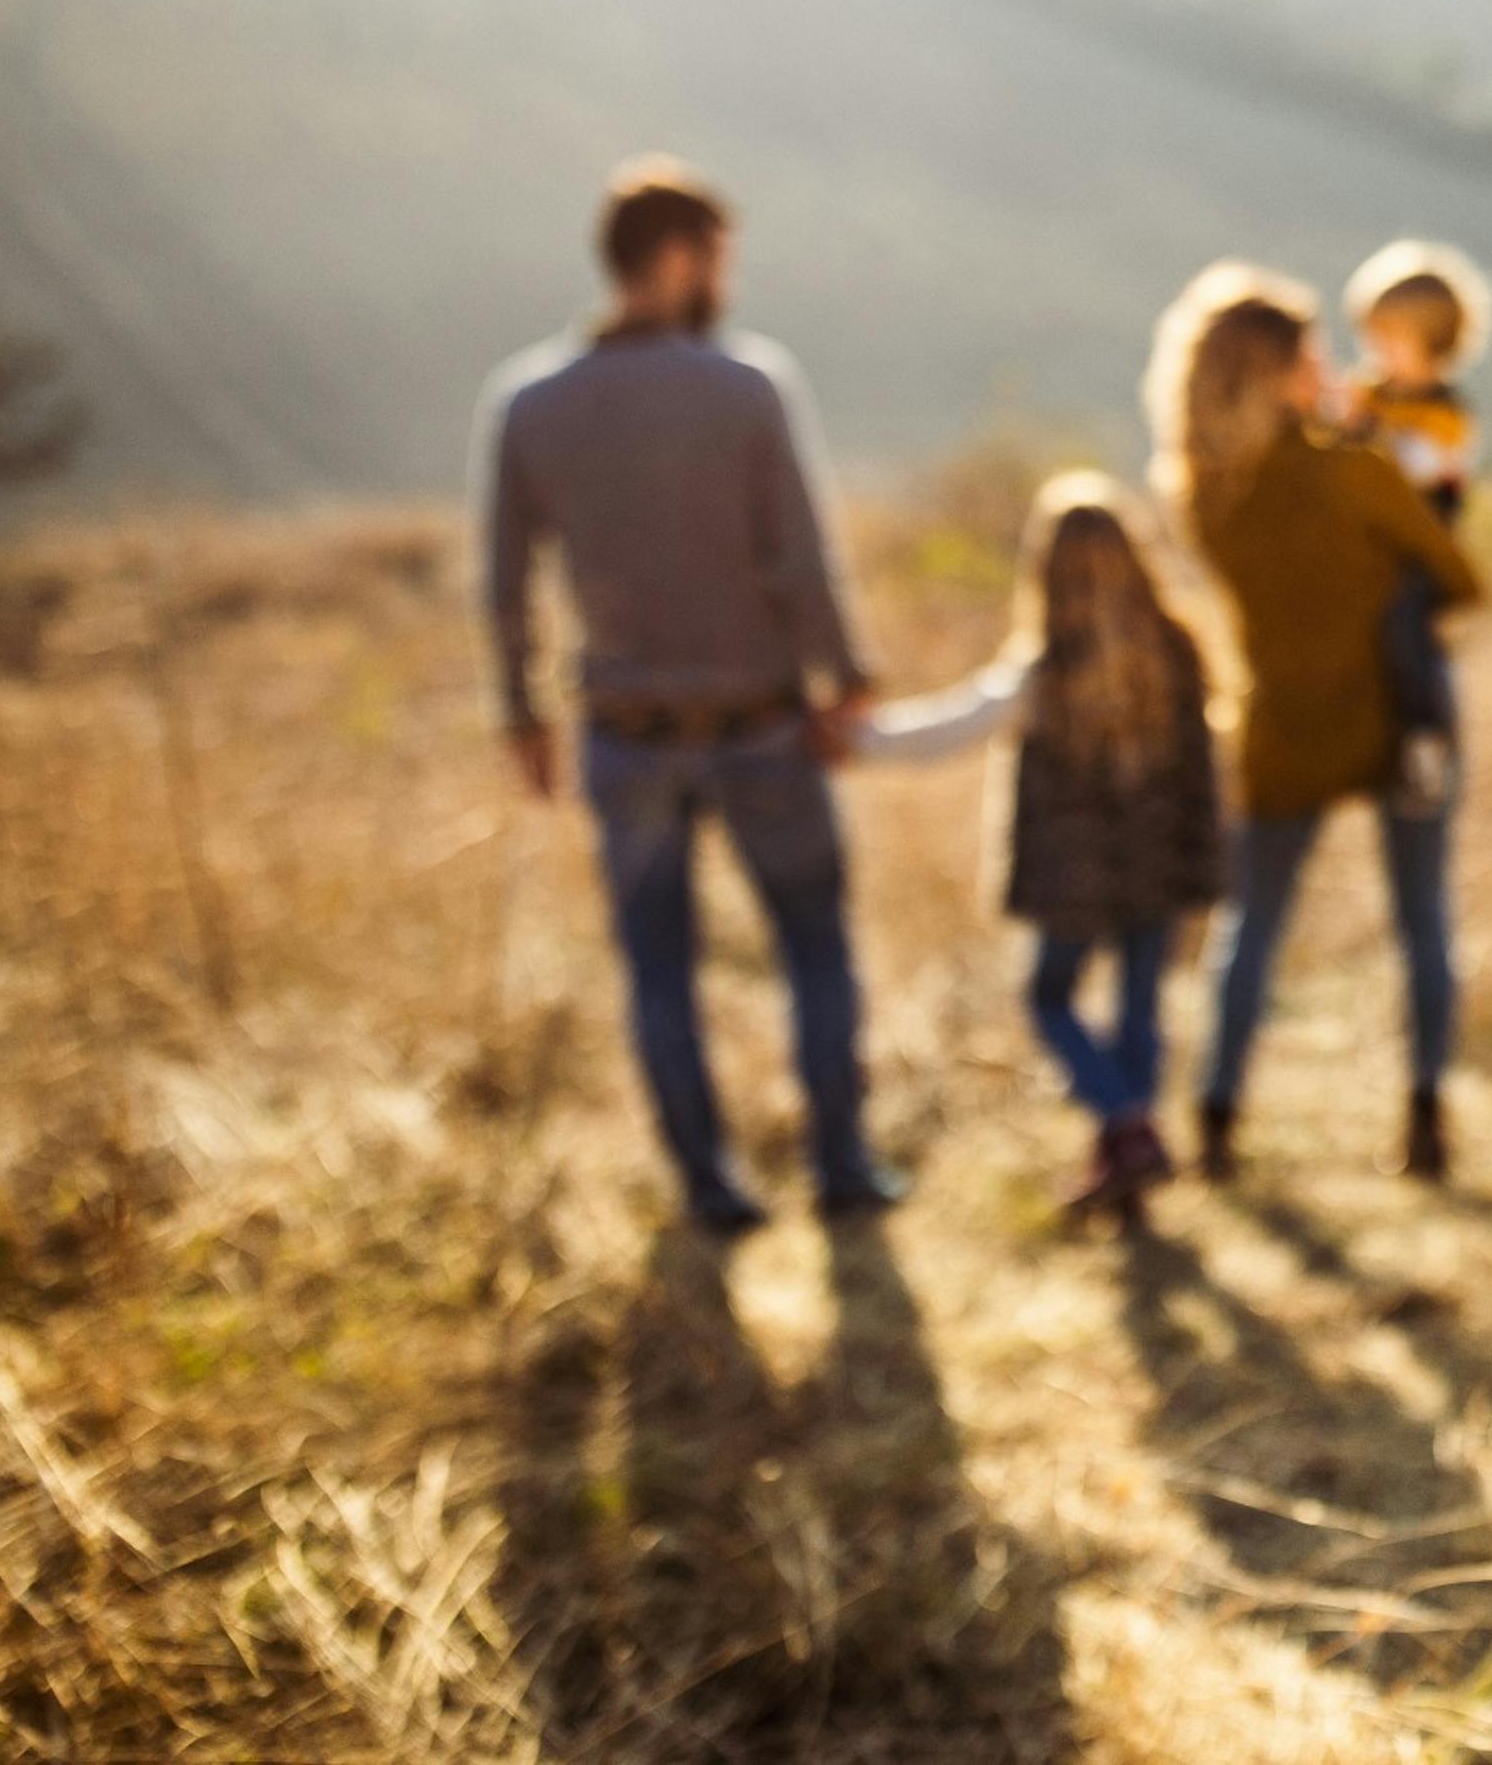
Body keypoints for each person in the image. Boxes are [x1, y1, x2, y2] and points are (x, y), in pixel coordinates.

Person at [476, 155, 901, 1233]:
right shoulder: (745, 386)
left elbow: (503, 577)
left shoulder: (530, 401)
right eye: (719, 259)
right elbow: (801, 558)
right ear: (676, 258)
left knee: (657, 966)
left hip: (622, 732)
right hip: (758, 720)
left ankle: (710, 1185)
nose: (726, 283)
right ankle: (842, 1165)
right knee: (814, 943)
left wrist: (521, 713)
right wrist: (844, 679)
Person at [1148, 261, 1485, 1185]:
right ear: (1281, 371)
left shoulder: (1201, 494)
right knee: (1422, 919)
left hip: (1281, 720)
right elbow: (1458, 574)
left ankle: (1216, 1118)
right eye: (1312, 353)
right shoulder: (1354, 473)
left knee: (1249, 927)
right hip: (1400, 712)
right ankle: (1424, 1116)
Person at [860, 472, 1224, 1221]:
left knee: (1049, 997)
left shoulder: (1045, 666)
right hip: (1158, 866)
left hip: (1074, 879)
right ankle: (1127, 1150)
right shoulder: (1177, 650)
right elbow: (1208, 768)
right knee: (1139, 1009)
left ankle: (1127, 1129)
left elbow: (951, 728)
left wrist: (857, 739)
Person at [1338, 238, 1492, 817]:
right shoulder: (1370, 395)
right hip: (1369, 550)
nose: (1375, 351)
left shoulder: (1448, 413)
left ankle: (1426, 738)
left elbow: (1421, 470)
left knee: (1406, 629)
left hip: (1421, 554)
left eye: (1389, 338)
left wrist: (1366, 434)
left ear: (1433, 342)